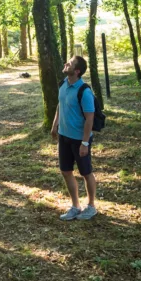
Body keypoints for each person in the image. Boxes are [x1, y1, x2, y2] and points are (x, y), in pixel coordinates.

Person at [49, 55, 98, 221]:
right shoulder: (63, 84)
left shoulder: (84, 91)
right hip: (64, 136)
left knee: (86, 172)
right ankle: (75, 206)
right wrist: (55, 125)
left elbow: (89, 118)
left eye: (69, 64)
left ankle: (91, 206)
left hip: (79, 139)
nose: (65, 64)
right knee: (66, 171)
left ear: (77, 71)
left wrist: (85, 143)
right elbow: (60, 104)